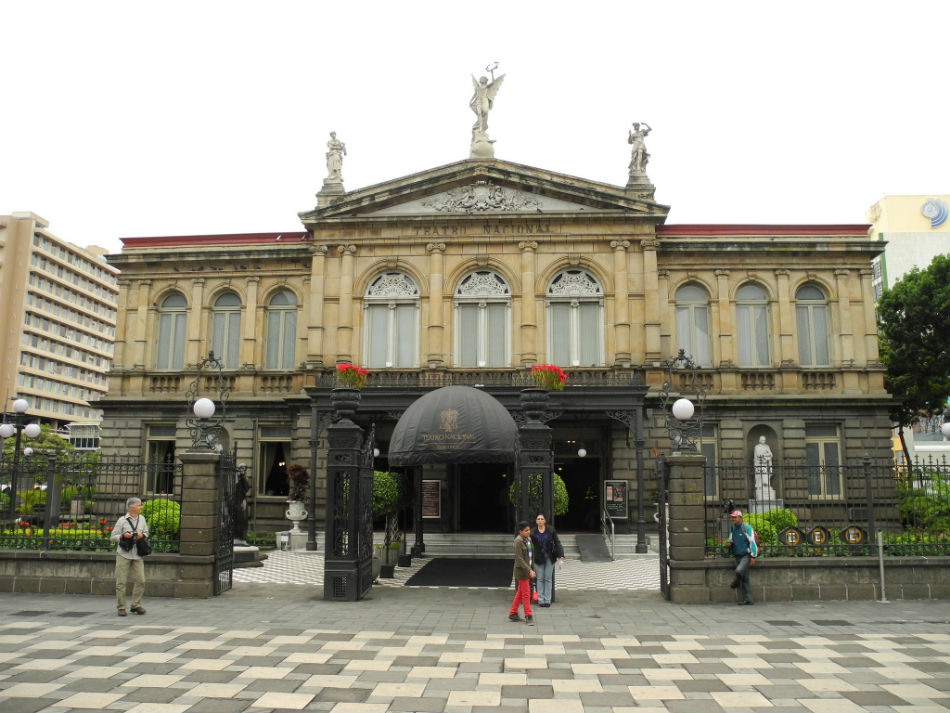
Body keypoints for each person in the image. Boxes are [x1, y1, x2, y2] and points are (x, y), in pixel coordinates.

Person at [110, 496, 149, 617]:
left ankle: (135, 605)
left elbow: (146, 533)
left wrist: (142, 535)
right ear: (132, 507)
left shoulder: (142, 519)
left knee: (141, 580)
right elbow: (113, 536)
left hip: (137, 554)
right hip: (124, 554)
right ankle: (121, 607)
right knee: (121, 582)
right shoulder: (122, 520)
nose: (141, 507)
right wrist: (123, 536)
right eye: (139, 505)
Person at [530, 513, 564, 608]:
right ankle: (541, 600)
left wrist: (561, 554)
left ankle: (547, 599)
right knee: (540, 578)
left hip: (549, 557)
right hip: (538, 557)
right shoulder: (532, 532)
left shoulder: (551, 530)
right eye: (538, 519)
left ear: (545, 521)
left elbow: (557, 542)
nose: (540, 520)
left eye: (542, 519)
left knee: (548, 578)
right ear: (536, 521)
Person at [727, 509, 757, 605]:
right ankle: (748, 599)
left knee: (739, 571)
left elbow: (752, 542)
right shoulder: (733, 528)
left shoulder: (746, 527)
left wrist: (753, 556)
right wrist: (729, 542)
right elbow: (730, 538)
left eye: (735, 517)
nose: (733, 519)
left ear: (740, 518)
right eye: (732, 517)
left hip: (746, 556)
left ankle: (736, 582)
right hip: (737, 555)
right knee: (744, 579)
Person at [508, 520, 536, 625]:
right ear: (520, 531)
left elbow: (530, 556)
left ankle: (513, 613)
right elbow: (519, 559)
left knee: (520, 592)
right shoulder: (518, 541)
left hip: (528, 570)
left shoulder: (528, 539)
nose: (528, 532)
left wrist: (532, 569)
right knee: (526, 594)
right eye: (526, 530)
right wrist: (529, 570)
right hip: (521, 571)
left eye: (529, 530)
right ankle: (528, 616)